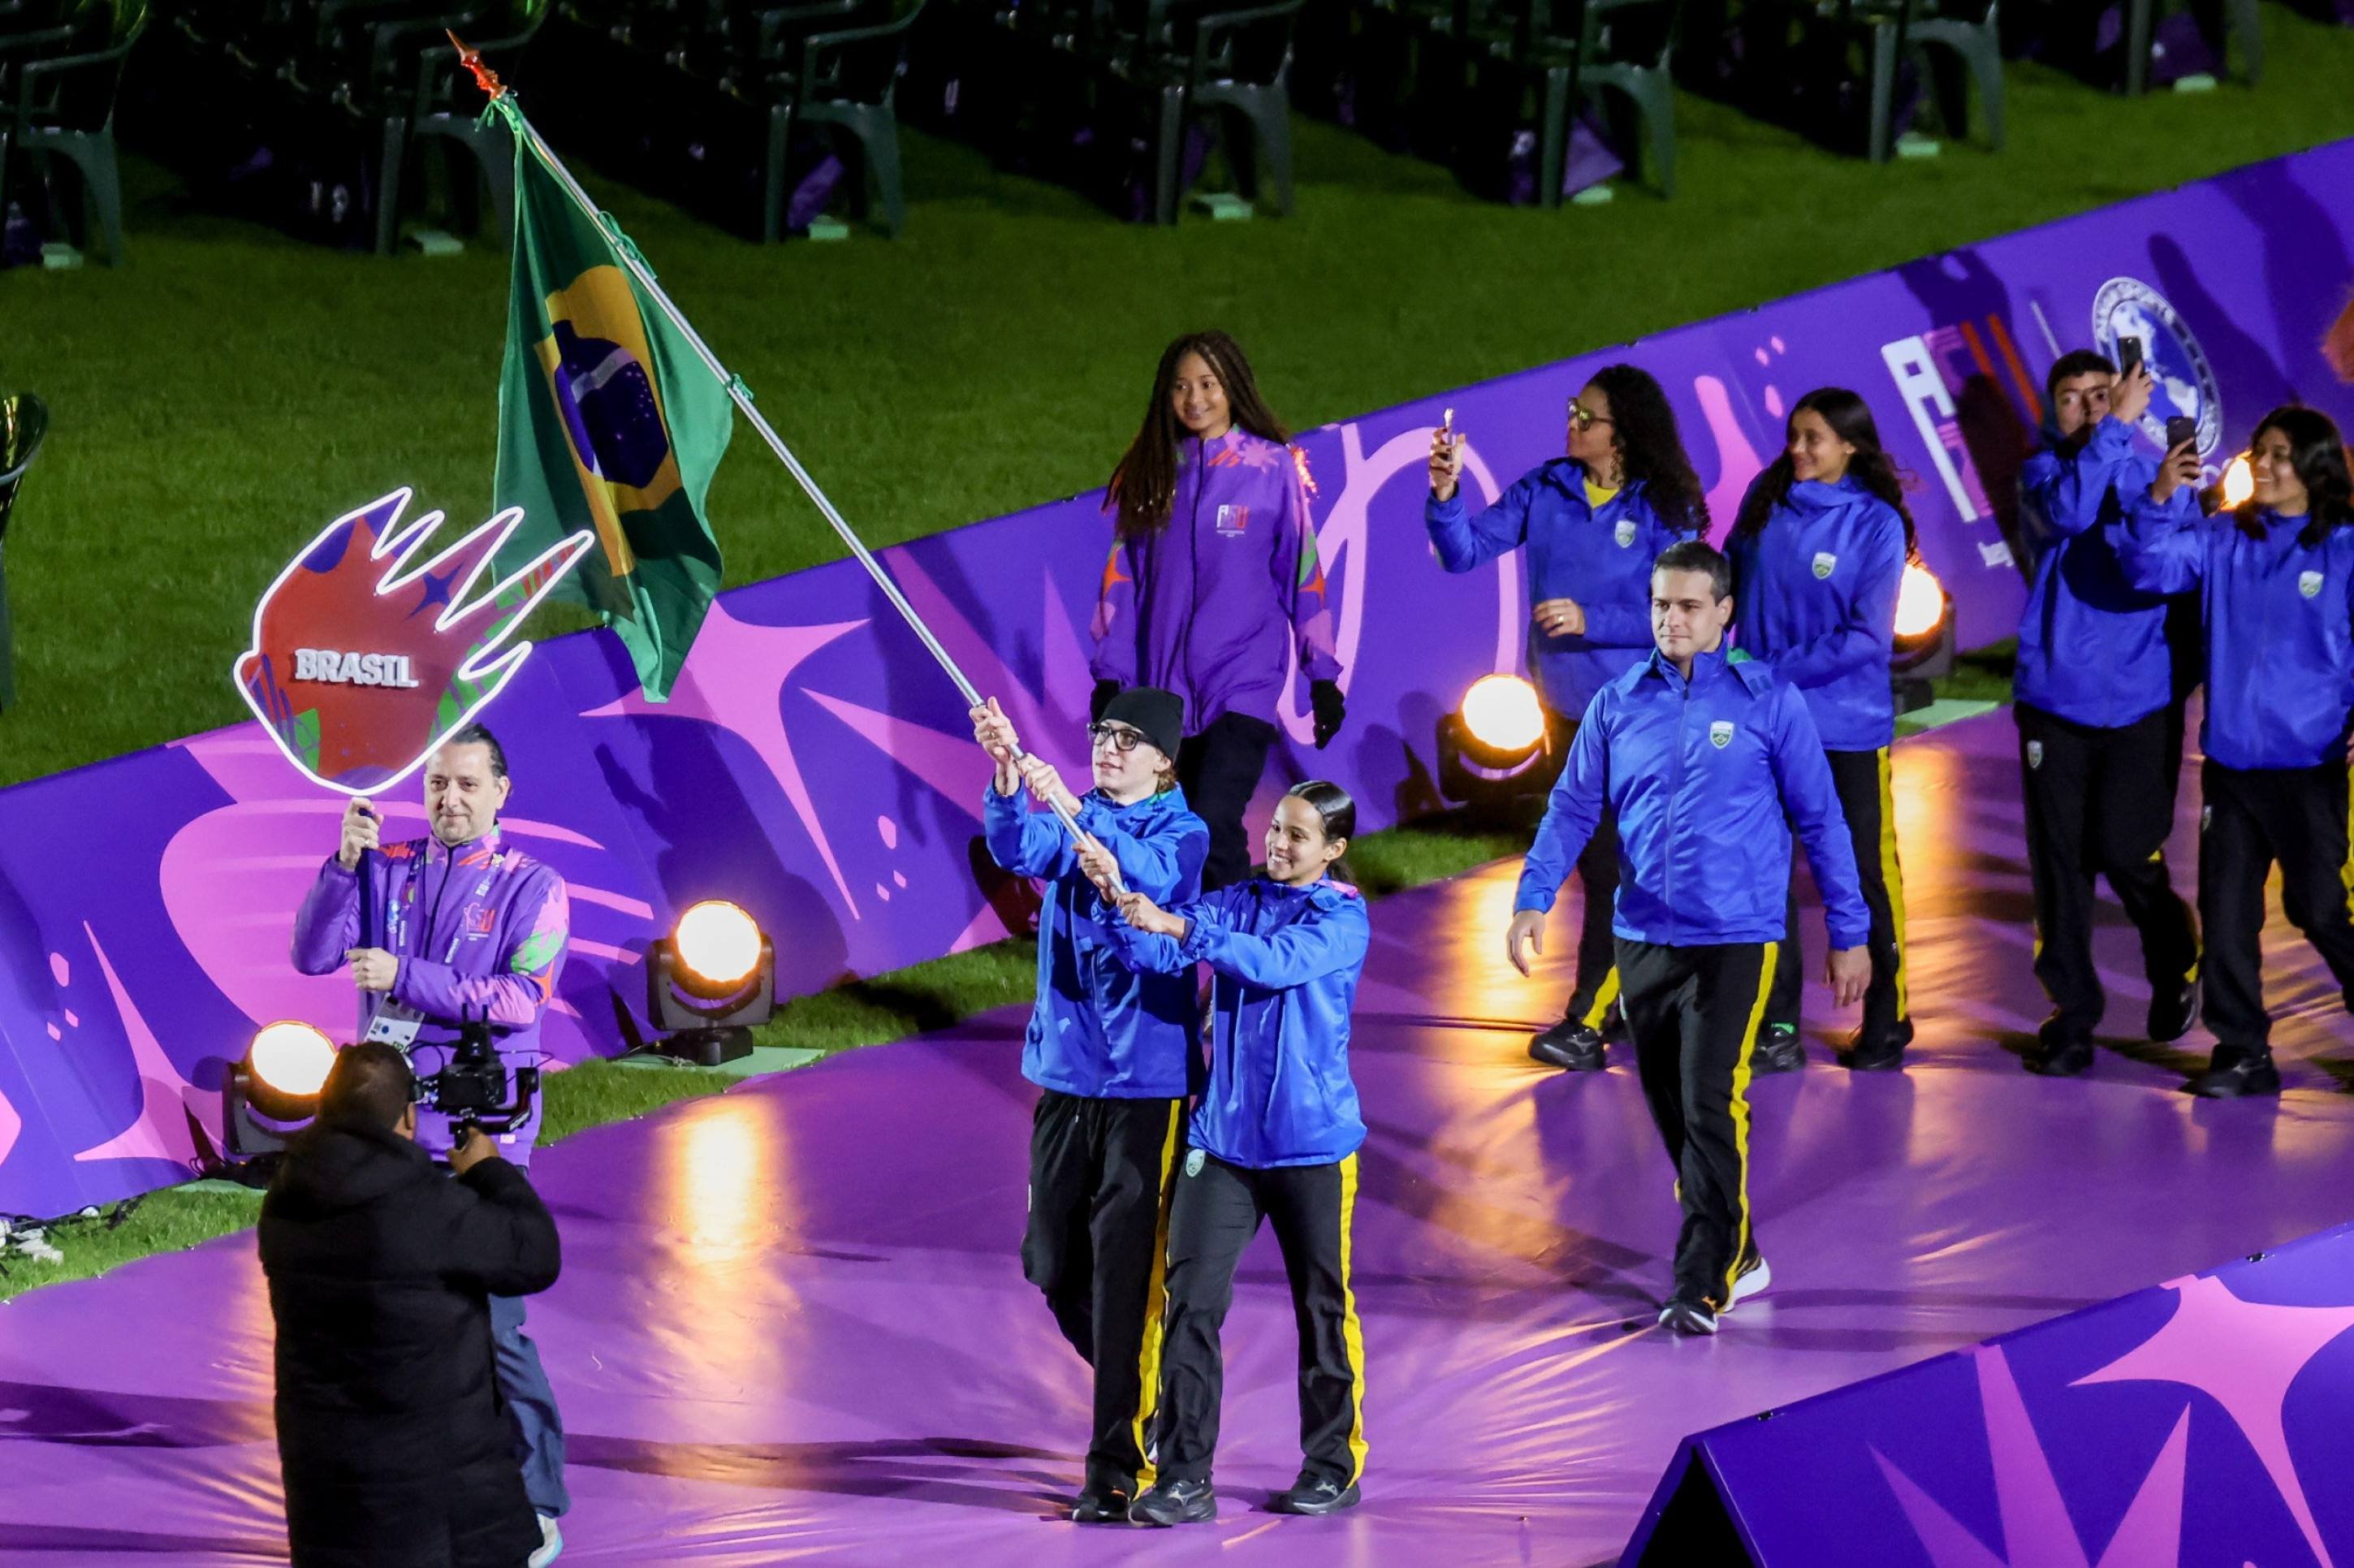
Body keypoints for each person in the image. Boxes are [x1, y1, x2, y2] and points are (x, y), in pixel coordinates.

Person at [1508, 540, 1872, 1335]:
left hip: (1736, 936)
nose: (1671, 620)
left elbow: (1822, 819)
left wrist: (1850, 931)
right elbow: (1572, 807)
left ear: (1723, 613)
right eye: (1660, 605)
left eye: (1687, 606)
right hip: (1642, 935)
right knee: (1671, 1106)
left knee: (1711, 1098)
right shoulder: (1616, 702)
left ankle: (1701, 1280)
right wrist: (1533, 896)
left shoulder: (1768, 700)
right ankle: (1739, 1248)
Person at [290, 723, 572, 1565]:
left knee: (492, 1326)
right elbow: (311, 954)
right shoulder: (388, 867)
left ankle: (541, 1495)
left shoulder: (535, 885)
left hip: (478, 1132)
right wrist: (343, 869)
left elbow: (523, 997)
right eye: (437, 784)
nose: (449, 799)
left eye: (466, 785)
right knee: (390, 1316)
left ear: (501, 792)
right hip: (391, 1127)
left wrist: (405, 976)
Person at [1083, 781, 1371, 1527]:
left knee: (1321, 1307)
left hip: (1312, 1147)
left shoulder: (1342, 916)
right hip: (1222, 1143)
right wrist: (1118, 900)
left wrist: (1179, 927)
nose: (1278, 843)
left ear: (1333, 851)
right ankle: (1183, 1477)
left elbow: (1270, 962)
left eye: (1298, 836)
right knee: (1190, 1305)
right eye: (1275, 828)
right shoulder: (1233, 899)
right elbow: (1157, 949)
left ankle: (1333, 1465)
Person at [1426, 365, 1709, 1073]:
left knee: (1614, 860)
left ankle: (1588, 1016)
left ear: (1623, 433)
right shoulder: (1545, 488)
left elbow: (1687, 619)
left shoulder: (1660, 509)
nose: (1572, 424)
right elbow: (1462, 553)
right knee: (1600, 862)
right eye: (1573, 411)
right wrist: (1444, 492)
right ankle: (1649, 995)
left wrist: (1594, 620)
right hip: (1564, 709)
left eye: (1587, 417)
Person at [970, 685, 1209, 1523]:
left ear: (1163, 760)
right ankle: (1136, 1378)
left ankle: (1114, 1462)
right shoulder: (1081, 816)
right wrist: (1005, 769)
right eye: (1103, 733)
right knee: (1052, 1262)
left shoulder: (1184, 830)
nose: (1108, 747)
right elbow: (1013, 843)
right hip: (1066, 1077)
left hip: (1147, 1088)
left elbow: (1141, 876)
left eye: (1128, 738)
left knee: (1123, 1279)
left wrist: (1071, 808)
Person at [2116, 407, 2354, 1098]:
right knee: (2224, 915)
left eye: (2282, 454)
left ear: (2314, 465)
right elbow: (2147, 567)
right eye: (2261, 452)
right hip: (2230, 769)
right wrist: (2161, 494)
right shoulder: (2222, 536)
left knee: (2318, 909)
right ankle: (2242, 1049)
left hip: (2308, 767)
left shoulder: (2343, 546)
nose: (2268, 465)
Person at [260, 1042, 561, 1568]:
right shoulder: (422, 1205)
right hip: (434, 1487)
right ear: (406, 1116)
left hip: (326, 1478)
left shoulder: (287, 1196)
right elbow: (534, 1254)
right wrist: (490, 1171)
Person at [1090, 330, 1347, 892]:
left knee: (1211, 818)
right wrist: (1110, 671)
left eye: (1207, 384)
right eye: (1180, 387)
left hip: (1241, 679)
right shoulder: (1152, 472)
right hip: (1164, 691)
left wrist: (1320, 676)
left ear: (1232, 387)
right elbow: (1122, 577)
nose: (1194, 398)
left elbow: (1302, 574)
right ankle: (1195, 951)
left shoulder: (1271, 468)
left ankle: (1233, 958)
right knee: (1177, 831)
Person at [2011, 351, 2201, 1075]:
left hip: (2138, 698)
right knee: (2058, 863)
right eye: (2071, 398)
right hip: (2054, 700)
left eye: (2102, 394)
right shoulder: (2040, 476)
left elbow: (2154, 567)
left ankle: (2172, 948)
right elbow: (2069, 512)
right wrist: (2118, 427)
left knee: (2124, 848)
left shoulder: (2154, 473)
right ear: (2049, 410)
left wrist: (2157, 495)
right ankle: (2073, 1015)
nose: (2089, 407)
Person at [1726, 388, 1912, 1073]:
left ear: (1850, 446)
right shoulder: (1767, 502)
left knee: (1863, 874)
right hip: (1764, 727)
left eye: (1813, 438)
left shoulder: (1876, 526)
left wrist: (1770, 670)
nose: (1798, 450)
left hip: (1844, 732)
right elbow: (1727, 579)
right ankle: (1777, 1022)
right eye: (1794, 436)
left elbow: (1867, 637)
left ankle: (1886, 1016)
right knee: (1764, 874)